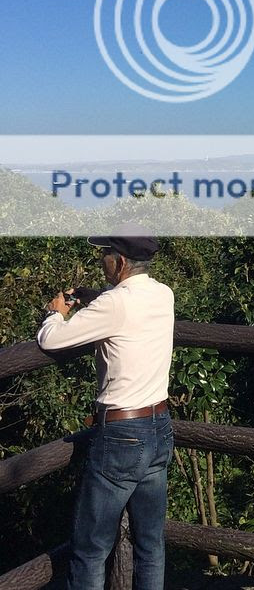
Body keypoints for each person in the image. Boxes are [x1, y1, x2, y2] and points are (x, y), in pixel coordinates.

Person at [37, 228, 175, 590]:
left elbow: (52, 340)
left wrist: (55, 313)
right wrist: (94, 298)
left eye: (105, 255)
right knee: (150, 545)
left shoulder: (113, 304)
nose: (101, 261)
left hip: (121, 436)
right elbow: (127, 305)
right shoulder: (163, 294)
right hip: (159, 427)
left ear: (121, 262)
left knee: (90, 549)